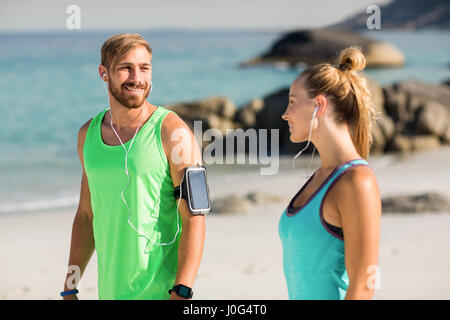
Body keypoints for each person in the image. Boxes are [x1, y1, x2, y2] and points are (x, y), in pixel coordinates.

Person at [61, 33, 205, 300]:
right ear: (104, 73)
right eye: (126, 68)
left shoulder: (174, 132)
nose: (137, 78)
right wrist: (70, 286)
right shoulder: (87, 136)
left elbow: (194, 216)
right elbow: (85, 216)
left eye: (145, 68)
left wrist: (182, 291)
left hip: (162, 293)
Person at [279, 47, 381, 300]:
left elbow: (364, 285)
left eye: (292, 102)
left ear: (319, 104)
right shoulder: (320, 178)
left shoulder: (357, 181)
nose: (285, 113)